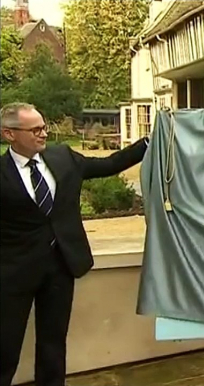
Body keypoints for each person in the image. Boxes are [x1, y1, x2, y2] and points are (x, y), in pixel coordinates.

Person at [0, 103, 149, 386]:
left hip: (60, 267)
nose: (43, 134)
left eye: (43, 126)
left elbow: (109, 165)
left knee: (53, 344)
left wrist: (148, 143)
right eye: (35, 129)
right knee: (5, 346)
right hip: (12, 273)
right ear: (9, 134)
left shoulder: (64, 158)